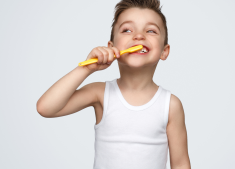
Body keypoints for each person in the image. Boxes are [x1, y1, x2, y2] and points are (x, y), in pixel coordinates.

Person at [36, 0, 191, 168]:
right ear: (112, 46)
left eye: (151, 30)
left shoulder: (170, 105)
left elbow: (181, 163)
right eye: (127, 30)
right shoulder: (99, 93)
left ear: (164, 51)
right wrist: (87, 69)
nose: (138, 36)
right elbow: (46, 108)